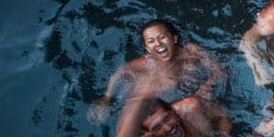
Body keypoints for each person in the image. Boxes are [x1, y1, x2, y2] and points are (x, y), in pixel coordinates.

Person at [88, 19, 227, 122]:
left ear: (174, 38)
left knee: (219, 110)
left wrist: (207, 86)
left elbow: (221, 70)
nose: (158, 44)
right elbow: (119, 73)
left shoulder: (191, 51)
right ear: (147, 48)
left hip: (188, 95)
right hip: (164, 101)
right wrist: (106, 98)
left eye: (162, 37)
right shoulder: (146, 63)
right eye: (151, 41)